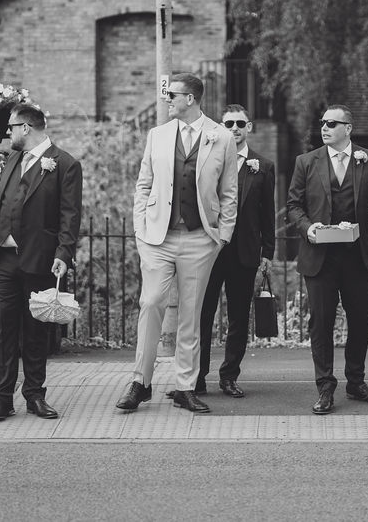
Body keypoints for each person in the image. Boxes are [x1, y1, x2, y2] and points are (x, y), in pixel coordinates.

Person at [116, 73, 238, 415]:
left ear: (191, 99)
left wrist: (223, 235)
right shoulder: (157, 135)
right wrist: (141, 231)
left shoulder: (221, 137)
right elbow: (143, 186)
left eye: (173, 95)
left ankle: (185, 386)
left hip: (201, 239)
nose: (167, 99)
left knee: (190, 314)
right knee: (150, 302)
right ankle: (140, 382)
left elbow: (229, 192)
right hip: (157, 238)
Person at [286, 105, 368, 415]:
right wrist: (308, 228)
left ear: (348, 128)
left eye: (332, 123)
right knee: (321, 322)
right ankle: (325, 386)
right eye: (323, 123)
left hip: (357, 256)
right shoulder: (306, 162)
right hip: (320, 256)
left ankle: (356, 382)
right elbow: (293, 206)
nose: (325, 127)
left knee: (361, 319)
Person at [0, 104, 83, 423]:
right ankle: (1, 399)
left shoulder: (65, 164)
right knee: (3, 327)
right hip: (2, 259)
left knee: (36, 331)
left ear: (26, 128)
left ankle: (35, 396)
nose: (8, 133)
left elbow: (70, 214)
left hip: (39, 258)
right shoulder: (12, 159)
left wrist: (63, 254)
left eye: (11, 127)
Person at [196, 104, 276, 398]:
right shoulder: (208, 159)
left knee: (239, 318)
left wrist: (268, 252)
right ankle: (196, 377)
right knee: (202, 316)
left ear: (249, 127)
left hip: (245, 253)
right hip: (210, 250)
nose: (234, 129)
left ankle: (229, 376)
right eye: (228, 124)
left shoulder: (263, 166)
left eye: (240, 123)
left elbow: (268, 211)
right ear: (221, 127)